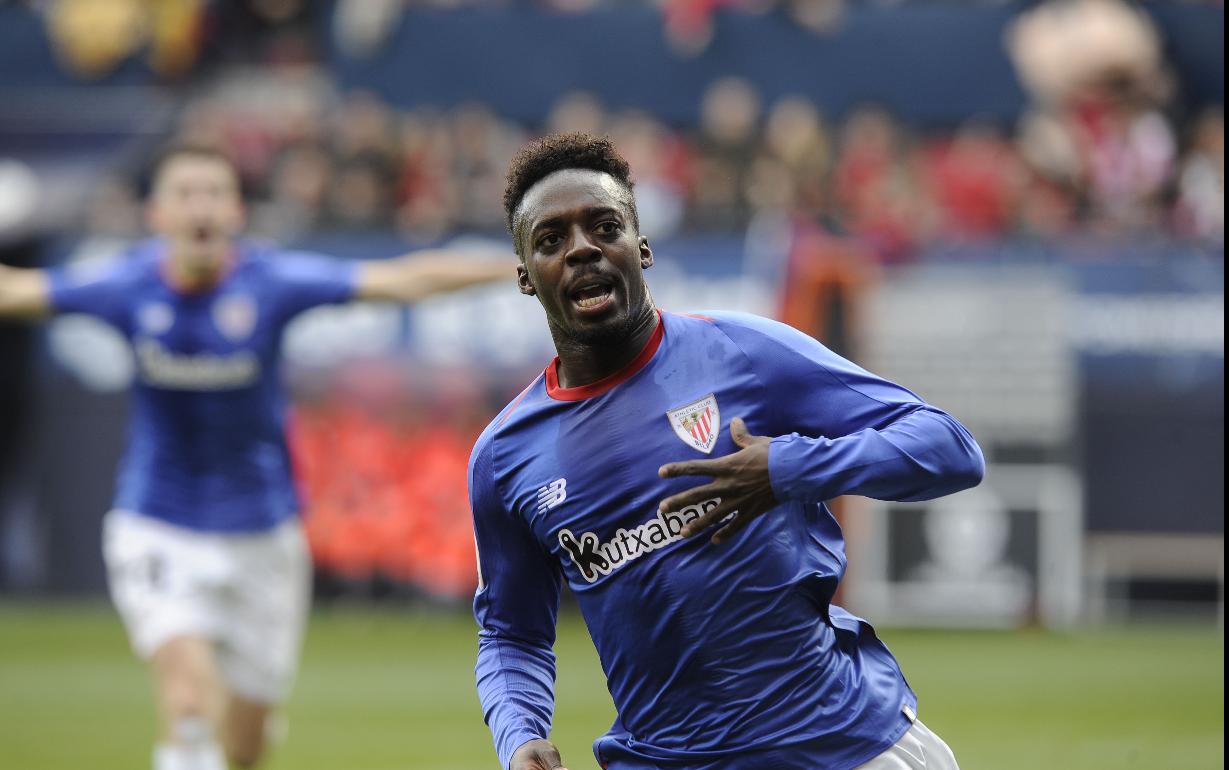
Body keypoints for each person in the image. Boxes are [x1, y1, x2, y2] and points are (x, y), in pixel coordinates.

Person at [470, 133, 985, 770]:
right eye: (551, 240)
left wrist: (786, 469)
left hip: (846, 746)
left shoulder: (742, 353)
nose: (582, 249)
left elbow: (950, 447)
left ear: (642, 245)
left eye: (605, 227)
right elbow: (512, 634)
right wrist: (519, 735)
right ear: (526, 274)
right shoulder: (505, 456)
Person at [0, 144, 515, 770]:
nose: (201, 207)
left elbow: (399, 280)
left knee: (246, 746)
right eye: (185, 193)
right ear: (157, 213)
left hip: (264, 535)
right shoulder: (125, 285)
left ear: (236, 211)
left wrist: (513, 263)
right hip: (158, 523)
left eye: (214, 193)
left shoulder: (271, 283)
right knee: (188, 704)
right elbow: (17, 291)